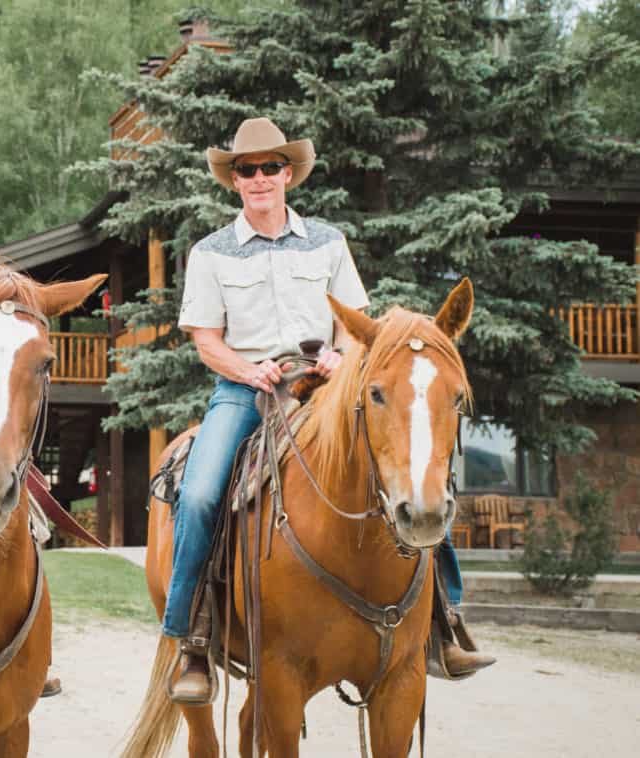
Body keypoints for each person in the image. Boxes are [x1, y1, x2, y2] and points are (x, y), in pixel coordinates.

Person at [164, 117, 492, 704]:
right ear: (234, 180)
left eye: (270, 167)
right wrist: (248, 370)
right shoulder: (210, 253)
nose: (259, 178)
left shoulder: (328, 242)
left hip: (327, 384)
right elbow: (206, 338)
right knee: (201, 491)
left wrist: (344, 357)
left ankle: (446, 621)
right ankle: (191, 637)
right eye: (247, 169)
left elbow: (351, 320)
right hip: (248, 390)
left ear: (287, 173)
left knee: (411, 466)